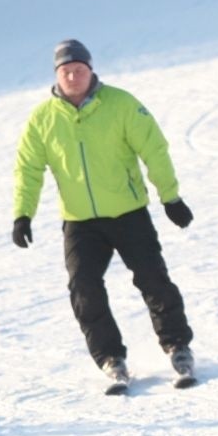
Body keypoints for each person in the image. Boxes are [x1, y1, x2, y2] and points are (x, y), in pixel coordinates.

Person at [12, 39, 195, 391]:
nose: (73, 76)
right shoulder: (43, 120)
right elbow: (28, 169)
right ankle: (111, 357)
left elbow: (154, 150)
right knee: (84, 288)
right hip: (80, 221)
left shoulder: (121, 105)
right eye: (66, 71)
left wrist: (170, 197)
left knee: (153, 279)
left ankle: (178, 346)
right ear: (57, 75)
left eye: (79, 69)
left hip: (129, 213)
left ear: (91, 70)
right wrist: (23, 214)